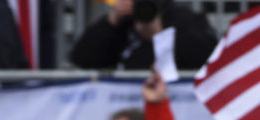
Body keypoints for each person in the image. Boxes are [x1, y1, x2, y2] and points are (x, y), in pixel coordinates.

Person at [69, 0, 218, 71]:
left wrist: (159, 34)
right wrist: (112, 21)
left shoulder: (183, 18)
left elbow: (207, 55)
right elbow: (82, 59)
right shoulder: (123, 23)